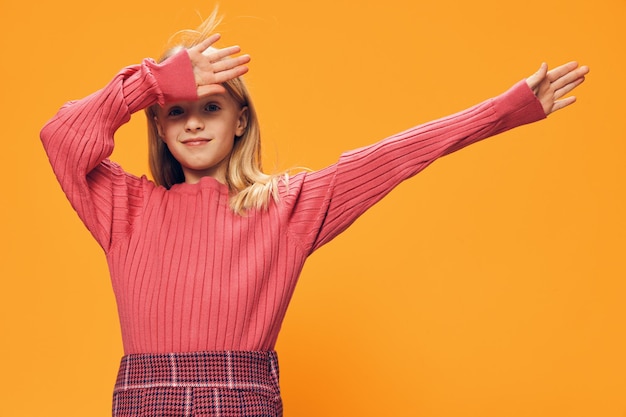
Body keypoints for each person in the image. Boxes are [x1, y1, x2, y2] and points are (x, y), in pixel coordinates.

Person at [40, 10, 589, 417]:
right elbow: (60, 137)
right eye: (176, 112)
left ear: (239, 121)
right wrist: (154, 82)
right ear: (158, 126)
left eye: (211, 107)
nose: (192, 123)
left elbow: (393, 157)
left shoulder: (287, 206)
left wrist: (505, 110)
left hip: (243, 404)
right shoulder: (123, 207)